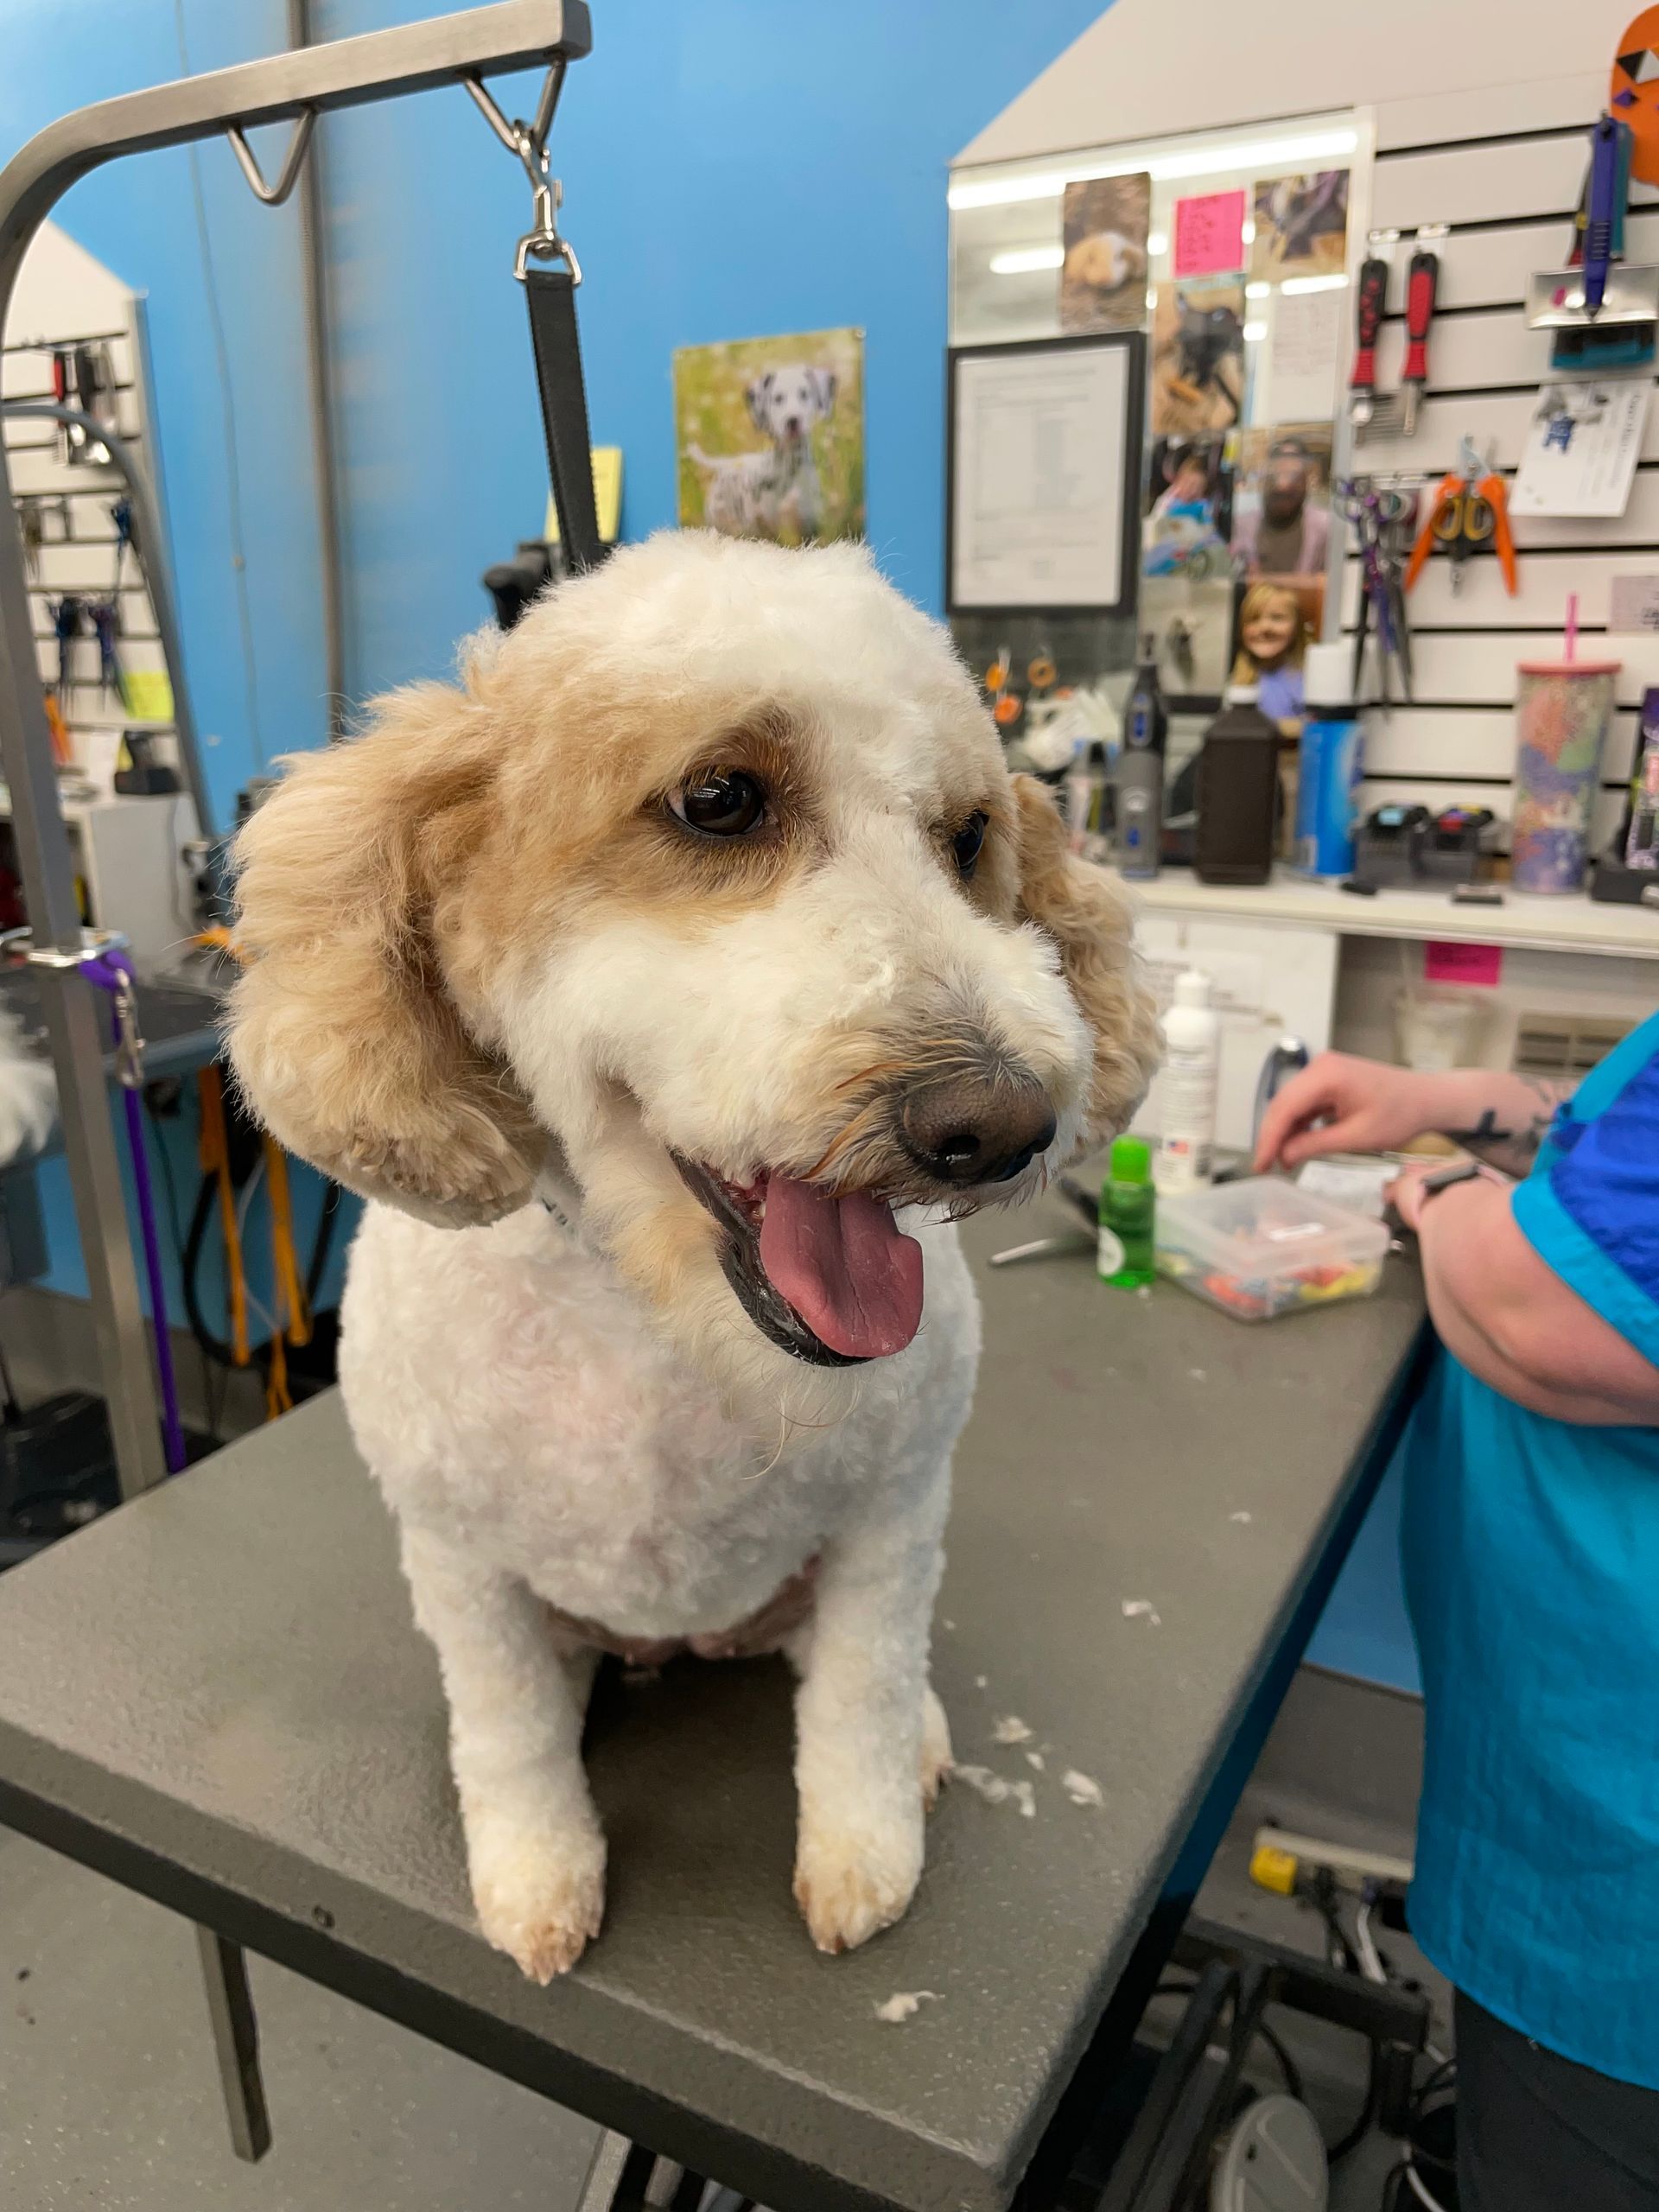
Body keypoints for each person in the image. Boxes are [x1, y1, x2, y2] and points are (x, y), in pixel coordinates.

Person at [1255, 1041, 1659, 2210]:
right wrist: (1439, 1105)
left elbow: (1545, 1306)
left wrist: (1438, 1193)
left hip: (1620, 1874)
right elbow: (1617, 1148)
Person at [1234, 435, 1330, 579]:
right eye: (1276, 475)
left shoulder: (1324, 527)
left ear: (1305, 481)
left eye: (1293, 477)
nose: (1283, 486)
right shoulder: (1242, 525)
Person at [1230, 581, 1306, 727]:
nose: (1265, 628)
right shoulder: (1237, 679)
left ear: (1297, 626)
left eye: (1277, 618)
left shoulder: (1308, 680)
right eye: (1254, 618)